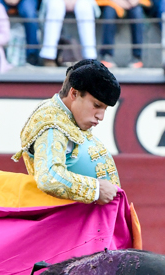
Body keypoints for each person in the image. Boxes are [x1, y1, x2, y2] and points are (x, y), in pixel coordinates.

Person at [12, 59, 122, 204]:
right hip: (72, 223)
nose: (101, 117)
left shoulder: (68, 118)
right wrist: (95, 189)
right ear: (74, 93)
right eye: (96, 105)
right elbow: (49, 178)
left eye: (104, 109)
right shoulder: (52, 122)